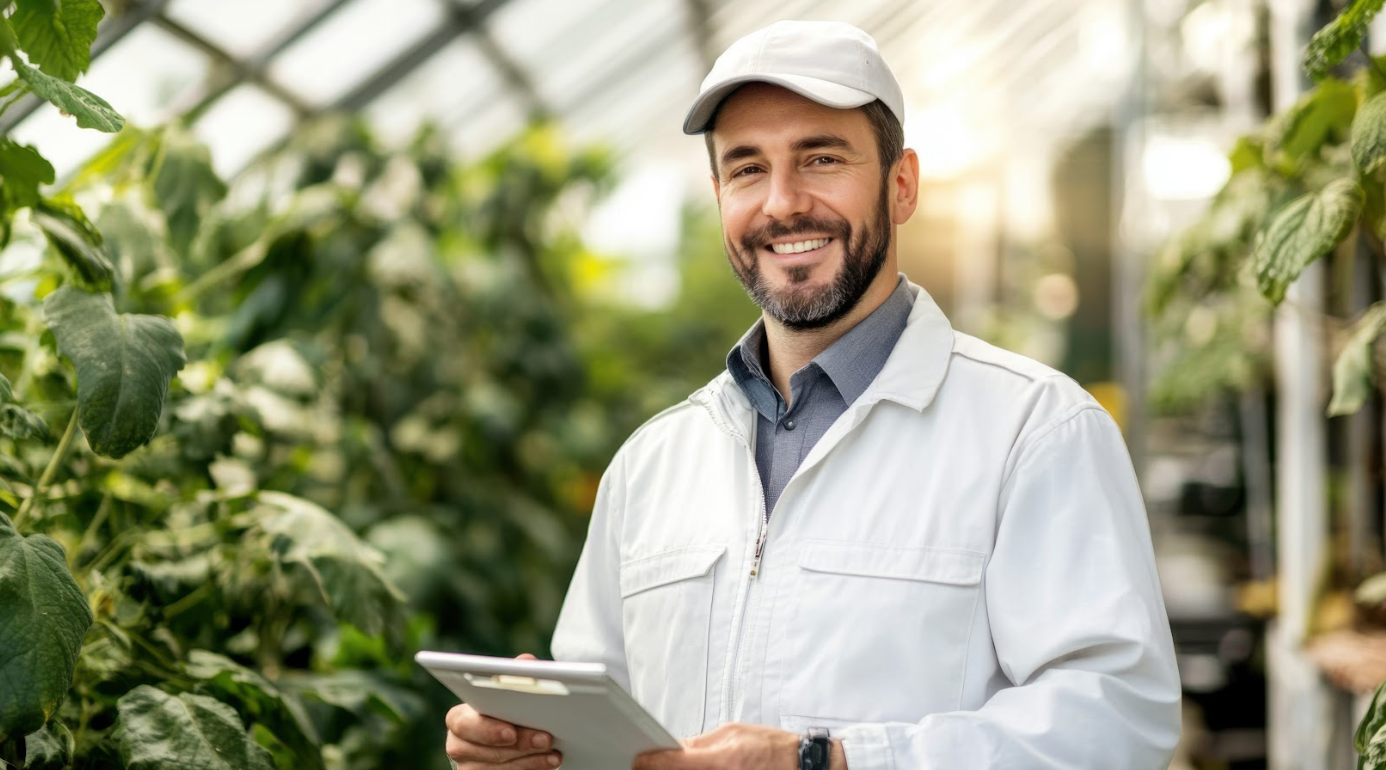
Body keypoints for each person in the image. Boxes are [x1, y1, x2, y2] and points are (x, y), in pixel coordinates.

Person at [445, 19, 1181, 770]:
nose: (782, 203)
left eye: (821, 158)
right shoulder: (653, 462)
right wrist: (529, 749)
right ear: (719, 194)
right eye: (746, 168)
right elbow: (604, 730)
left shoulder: (1033, 431)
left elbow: (1117, 721)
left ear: (902, 185)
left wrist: (828, 760)